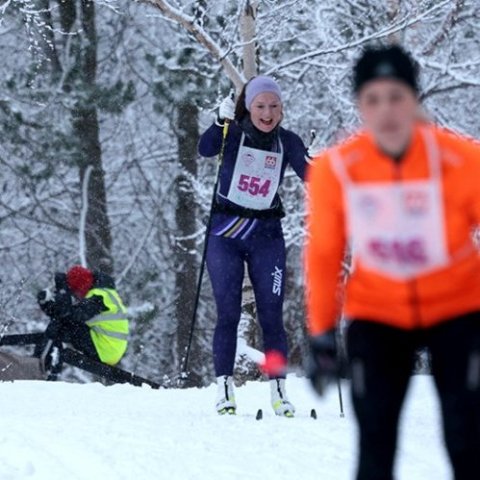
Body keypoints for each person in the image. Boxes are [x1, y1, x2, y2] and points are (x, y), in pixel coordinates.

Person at [305, 44, 480, 480]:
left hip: (458, 309)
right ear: (360, 106)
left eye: (397, 97)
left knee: (467, 440)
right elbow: (326, 252)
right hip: (377, 315)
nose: (386, 111)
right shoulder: (337, 170)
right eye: (373, 99)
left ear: (414, 101)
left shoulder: (461, 161)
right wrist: (322, 333)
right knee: (376, 447)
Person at [198, 76, 309, 416]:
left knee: (272, 316)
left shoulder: (287, 141)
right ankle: (225, 390)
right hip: (226, 234)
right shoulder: (232, 133)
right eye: (260, 106)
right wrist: (219, 121)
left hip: (266, 237)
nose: (267, 113)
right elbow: (205, 148)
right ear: (248, 107)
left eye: (274, 106)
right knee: (228, 313)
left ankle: (279, 391)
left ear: (282, 109)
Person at [37, 265, 129, 367]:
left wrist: (62, 291)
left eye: (75, 292)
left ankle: (42, 363)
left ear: (81, 286)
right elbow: (66, 313)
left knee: (63, 327)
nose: (76, 296)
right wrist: (46, 304)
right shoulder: (102, 293)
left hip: (106, 349)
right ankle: (43, 359)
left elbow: (71, 315)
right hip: (108, 346)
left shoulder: (98, 297)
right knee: (64, 324)